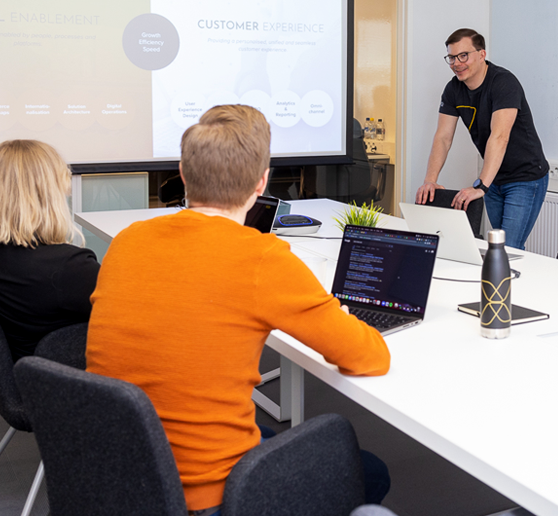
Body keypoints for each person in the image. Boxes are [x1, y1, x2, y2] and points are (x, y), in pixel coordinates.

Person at [86, 105, 391, 515]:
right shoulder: (261, 257)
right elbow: (369, 357)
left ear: (182, 171)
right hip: (209, 493)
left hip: (117, 473)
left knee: (267, 434)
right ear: (262, 181)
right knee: (370, 471)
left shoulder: (128, 240)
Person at [0, 139, 99, 361]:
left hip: (17, 370)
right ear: (47, 197)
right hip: (61, 379)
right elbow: (130, 316)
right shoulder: (69, 268)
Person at [416, 28, 549, 249]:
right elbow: (443, 137)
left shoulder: (503, 83)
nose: (456, 63)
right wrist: (430, 180)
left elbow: (499, 137)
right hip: (494, 178)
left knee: (508, 247)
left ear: (481, 54)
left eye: (463, 55)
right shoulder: (453, 89)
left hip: (526, 178)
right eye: (451, 57)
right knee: (498, 248)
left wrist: (481, 186)